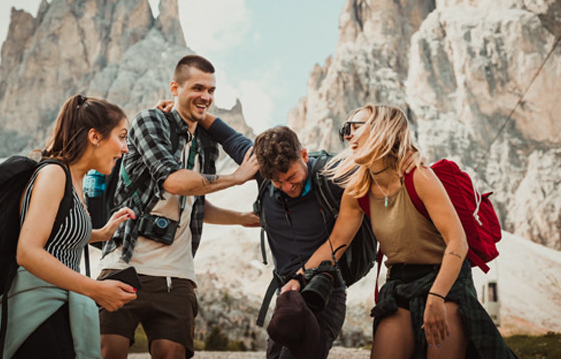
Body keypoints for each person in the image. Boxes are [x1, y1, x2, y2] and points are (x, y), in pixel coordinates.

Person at [295, 104, 517, 358]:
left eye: (355, 127)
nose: (347, 135)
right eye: (345, 129)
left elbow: (458, 242)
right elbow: (336, 243)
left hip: (445, 280)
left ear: (383, 130)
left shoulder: (418, 177)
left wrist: (436, 297)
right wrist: (298, 278)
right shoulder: (357, 191)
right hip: (399, 283)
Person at [98, 55, 260, 359]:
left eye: (211, 91)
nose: (206, 97)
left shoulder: (207, 143)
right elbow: (173, 181)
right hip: (124, 264)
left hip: (178, 275)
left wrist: (241, 218)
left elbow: (194, 202)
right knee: (107, 354)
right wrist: (235, 179)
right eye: (197, 88)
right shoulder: (150, 121)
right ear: (175, 87)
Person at [0, 94, 139, 359]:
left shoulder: (75, 180)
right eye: (121, 136)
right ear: (95, 137)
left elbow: (55, 237)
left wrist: (101, 232)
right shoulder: (54, 174)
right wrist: (96, 289)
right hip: (36, 313)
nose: (125, 148)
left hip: (58, 306)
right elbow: (27, 252)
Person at [198, 116, 357, 359]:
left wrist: (299, 278)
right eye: (277, 182)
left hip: (324, 291)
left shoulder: (331, 177)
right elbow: (229, 137)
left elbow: (339, 238)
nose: (286, 187)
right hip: (288, 295)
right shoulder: (264, 172)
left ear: (304, 155)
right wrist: (193, 111)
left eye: (291, 177)